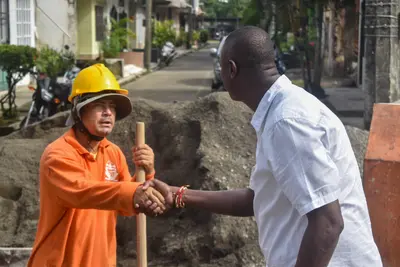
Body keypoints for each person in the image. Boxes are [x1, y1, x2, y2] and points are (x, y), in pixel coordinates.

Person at [139, 26, 383, 267]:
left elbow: (328, 222)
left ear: (231, 70)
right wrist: (179, 194)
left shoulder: (287, 121)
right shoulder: (281, 111)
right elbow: (257, 199)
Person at [28, 64, 167, 267]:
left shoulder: (112, 152)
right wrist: (133, 192)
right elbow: (82, 191)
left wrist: (146, 174)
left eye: (112, 106)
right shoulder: (57, 155)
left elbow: (125, 204)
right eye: (99, 105)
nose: (108, 113)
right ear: (78, 110)